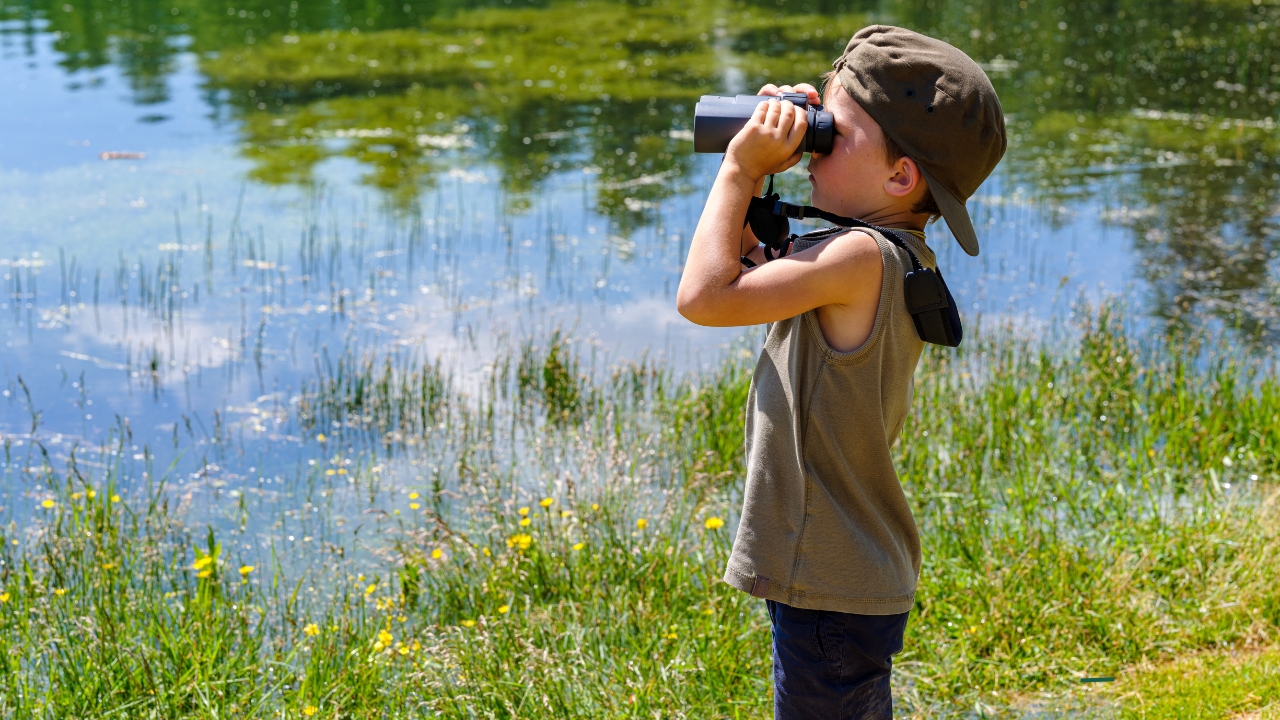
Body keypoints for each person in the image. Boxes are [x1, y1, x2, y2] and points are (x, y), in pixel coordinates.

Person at [676, 25, 1006, 720]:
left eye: (832, 129)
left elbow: (705, 297)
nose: (812, 139)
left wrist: (739, 169)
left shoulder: (858, 258)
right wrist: (762, 173)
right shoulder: (889, 250)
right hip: (841, 575)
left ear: (899, 175)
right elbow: (739, 271)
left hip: (829, 583)